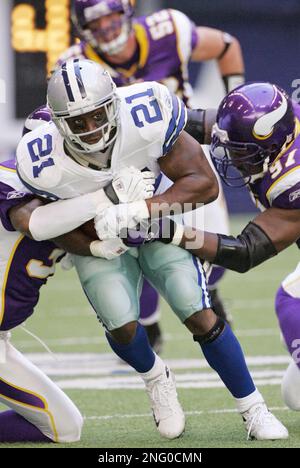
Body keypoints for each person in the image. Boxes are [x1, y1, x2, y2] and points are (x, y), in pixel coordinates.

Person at [16, 60, 288, 440]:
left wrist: (140, 211)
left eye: (97, 116)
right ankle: (155, 377)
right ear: (58, 126)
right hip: (100, 242)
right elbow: (46, 225)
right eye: (78, 123)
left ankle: (253, 407)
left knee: (195, 307)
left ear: (113, 104)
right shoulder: (41, 159)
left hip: (155, 226)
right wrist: (92, 243)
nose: (92, 130)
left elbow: (204, 184)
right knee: (121, 321)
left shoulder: (146, 112)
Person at [56, 0, 243, 347]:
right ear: (83, 30)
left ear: (126, 13)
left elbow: (226, 45)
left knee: (214, 250)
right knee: (134, 244)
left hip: (180, 154)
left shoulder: (167, 30)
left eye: (111, 20)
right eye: (96, 26)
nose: (107, 32)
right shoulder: (74, 65)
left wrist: (233, 101)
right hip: (122, 169)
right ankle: (151, 329)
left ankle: (210, 292)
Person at [0, 106, 156, 443]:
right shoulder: (10, 177)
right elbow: (31, 222)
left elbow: (126, 235)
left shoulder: (75, 195)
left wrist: (131, 209)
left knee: (66, 428)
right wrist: (108, 197)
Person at [147, 81, 300, 415]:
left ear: (274, 144)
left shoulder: (293, 182)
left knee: (291, 297)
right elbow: (195, 123)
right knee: (295, 395)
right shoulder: (282, 125)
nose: (230, 157)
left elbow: (245, 252)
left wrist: (173, 233)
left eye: (242, 152)